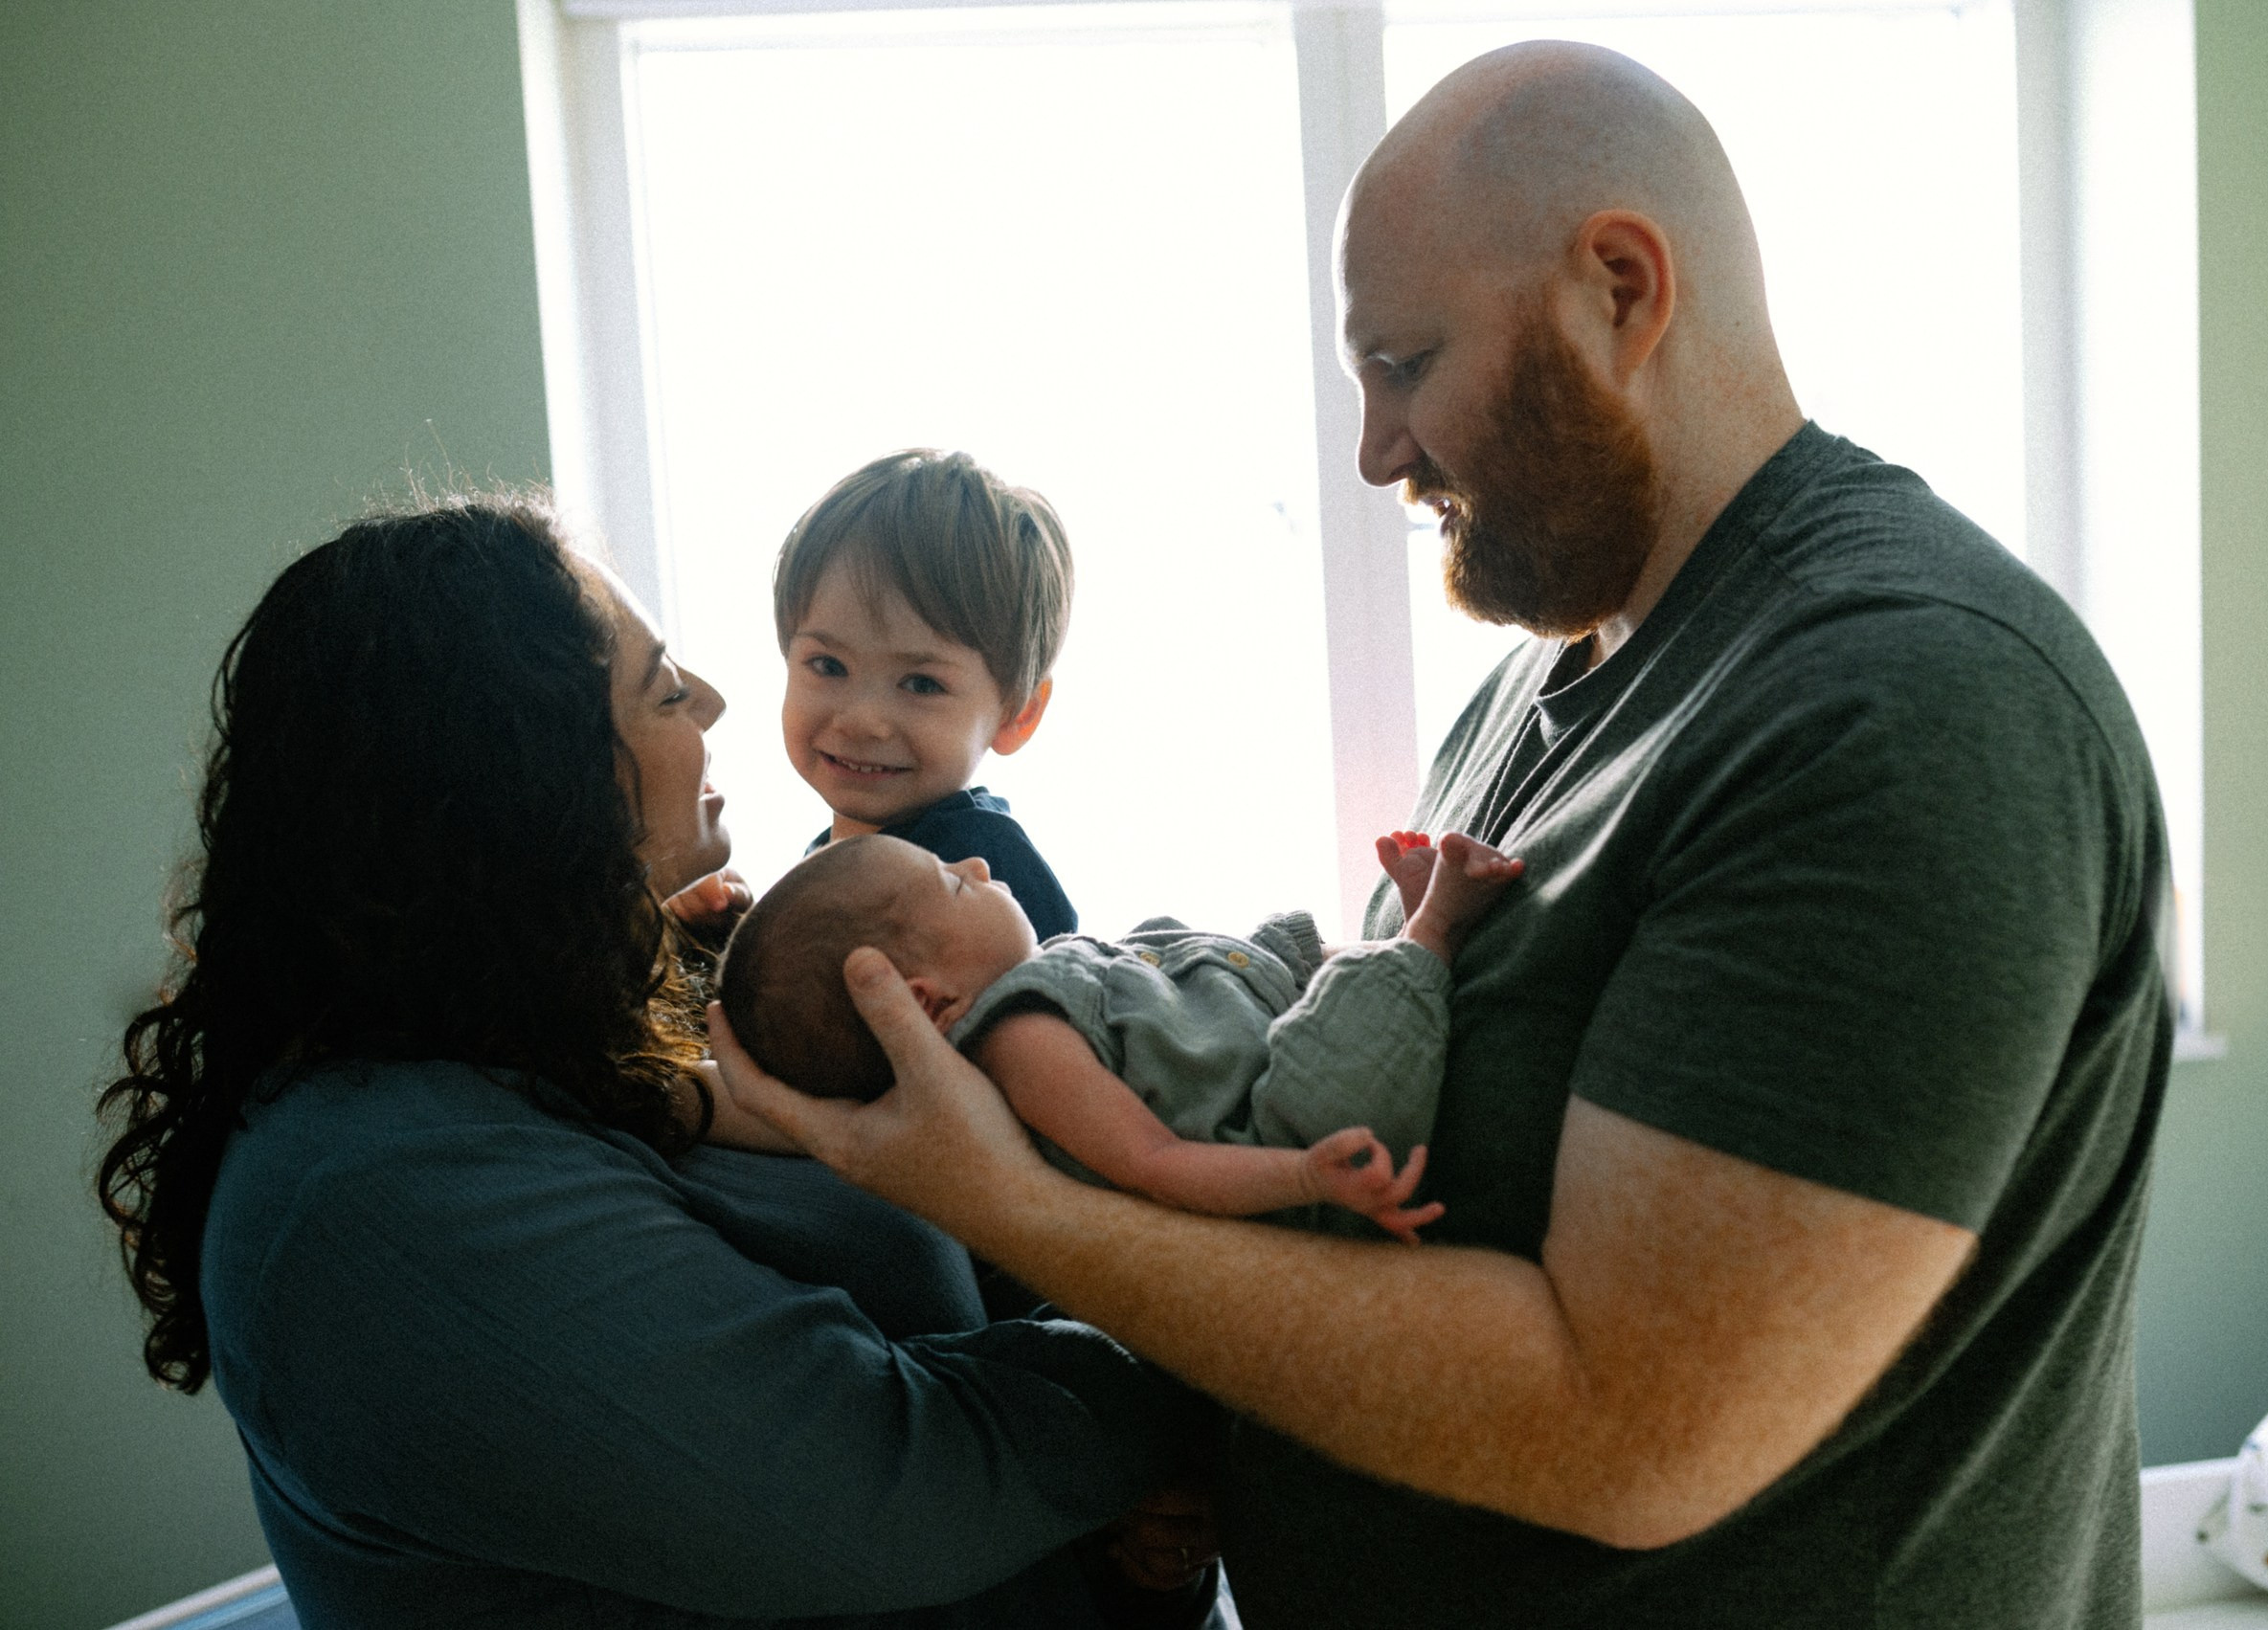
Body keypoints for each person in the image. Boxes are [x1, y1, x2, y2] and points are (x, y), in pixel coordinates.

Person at [709, 40, 2173, 1630]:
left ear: (1620, 285)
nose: (1375, 450)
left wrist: (1011, 1198)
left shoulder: (1906, 701)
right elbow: (1398, 1179)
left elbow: (1627, 1424)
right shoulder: (1548, 675)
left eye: (1406, 362)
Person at [94, 491, 1221, 1628]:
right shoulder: (374, 1191)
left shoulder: (638, 996)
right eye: (667, 690)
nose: (725, 701)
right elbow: (875, 1493)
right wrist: (1168, 1387)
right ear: (525, 774)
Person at [717, 829, 1520, 1239]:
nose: (980, 866)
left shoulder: (1048, 984)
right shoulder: (1020, 1042)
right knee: (1344, 1066)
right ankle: (1435, 931)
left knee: (1231, 950)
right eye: (952, 884)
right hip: (1274, 1127)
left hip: (1253, 1016)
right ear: (928, 1003)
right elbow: (1153, 1161)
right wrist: (1305, 1174)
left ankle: (1401, 938)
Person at [780, 448, 1079, 939]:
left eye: (922, 684)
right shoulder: (827, 861)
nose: (861, 720)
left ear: (1017, 714)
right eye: (829, 665)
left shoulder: (982, 863)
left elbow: (1053, 985)